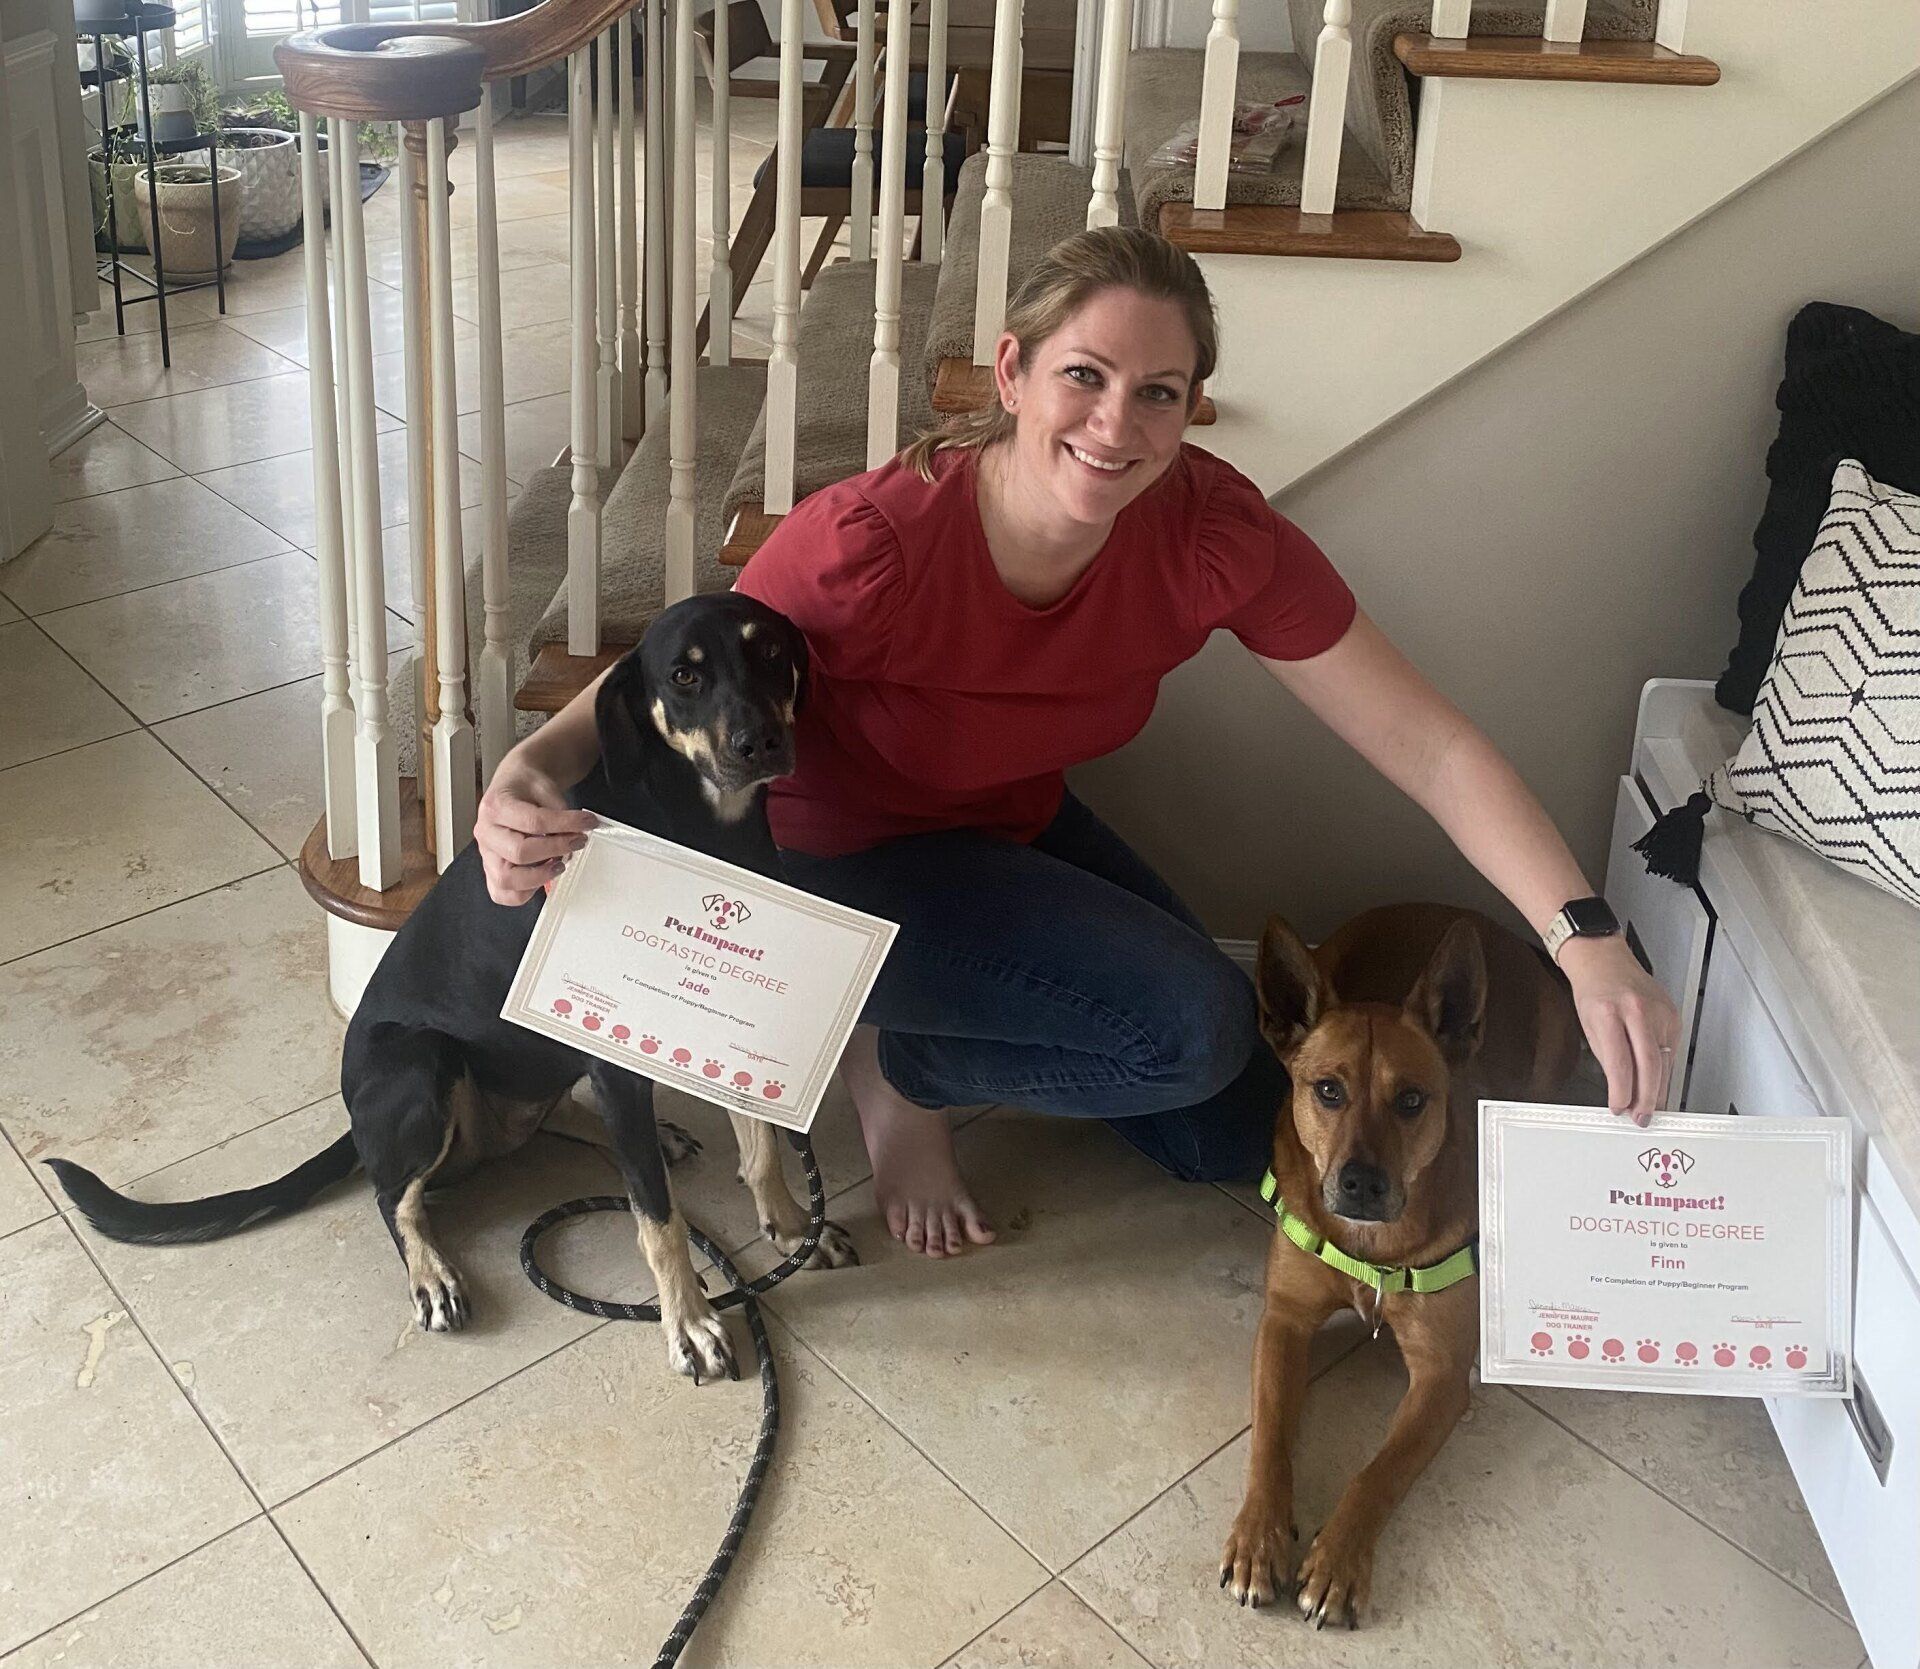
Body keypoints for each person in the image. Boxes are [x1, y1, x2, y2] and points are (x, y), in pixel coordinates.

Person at [474, 227, 1679, 1260]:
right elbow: (674, 665)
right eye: (1085, 376)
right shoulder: (869, 544)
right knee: (1194, 1025)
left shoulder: (1212, 534)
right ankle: (908, 1072)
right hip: (833, 865)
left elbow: (1431, 747)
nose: (1117, 423)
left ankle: (959, 1037)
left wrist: (1585, 939)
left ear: (1192, 405)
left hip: (1007, 827)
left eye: (1159, 391)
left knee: (1234, 1138)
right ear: (1012, 371)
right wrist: (528, 769)